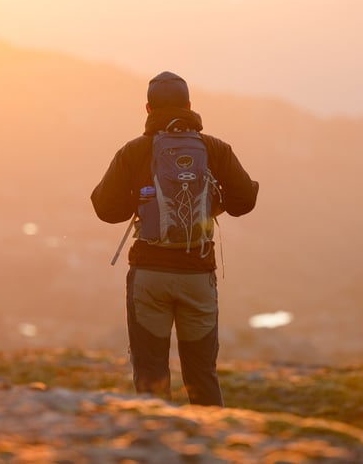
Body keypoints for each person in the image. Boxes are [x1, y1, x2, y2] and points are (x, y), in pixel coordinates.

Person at [91, 71, 258, 406]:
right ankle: (211, 447)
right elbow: (246, 201)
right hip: (197, 275)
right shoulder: (214, 148)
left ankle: (158, 446)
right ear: (190, 106)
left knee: (151, 373)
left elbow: (104, 207)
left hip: (149, 277)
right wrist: (213, 205)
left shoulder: (135, 151)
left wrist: (140, 202)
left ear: (148, 109)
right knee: (201, 374)